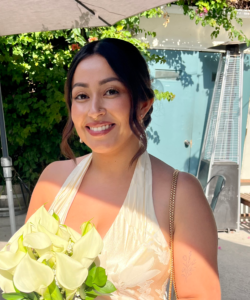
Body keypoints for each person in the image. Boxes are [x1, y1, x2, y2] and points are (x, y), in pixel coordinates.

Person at [25, 38, 221, 300]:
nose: (94, 111)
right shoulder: (52, 181)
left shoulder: (180, 194)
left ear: (143, 103)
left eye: (111, 91)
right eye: (81, 96)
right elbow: (26, 278)